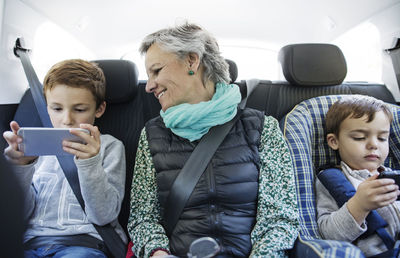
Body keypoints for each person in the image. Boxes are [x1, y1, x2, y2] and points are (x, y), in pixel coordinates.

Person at [127, 22, 299, 258]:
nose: (148, 86)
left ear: (192, 61)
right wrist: (160, 254)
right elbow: (143, 217)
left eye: (156, 71)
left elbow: (279, 217)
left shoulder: (262, 128)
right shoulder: (152, 133)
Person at [3, 59, 127, 257]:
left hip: (83, 244)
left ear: (99, 109)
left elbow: (103, 216)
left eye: (79, 110)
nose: (67, 119)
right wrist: (20, 167)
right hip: (32, 243)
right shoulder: (35, 149)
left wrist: (90, 163)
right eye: (57, 109)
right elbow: (21, 215)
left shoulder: (110, 147)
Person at [316, 95, 400, 256]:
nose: (374, 145)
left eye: (382, 138)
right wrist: (359, 205)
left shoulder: (394, 177)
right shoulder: (331, 180)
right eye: (359, 137)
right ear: (334, 141)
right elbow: (327, 234)